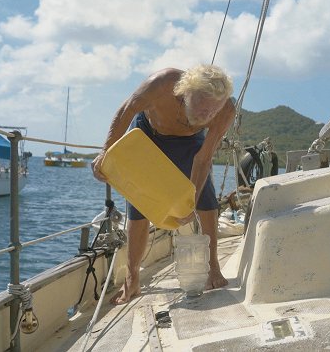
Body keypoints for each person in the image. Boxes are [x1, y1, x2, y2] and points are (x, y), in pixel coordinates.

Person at [91, 64, 236, 305]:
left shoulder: (225, 111)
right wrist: (105, 152)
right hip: (148, 133)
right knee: (140, 207)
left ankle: (213, 267)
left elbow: (203, 158)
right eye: (201, 103)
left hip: (190, 142)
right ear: (184, 92)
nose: (205, 114)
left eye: (213, 109)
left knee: (206, 200)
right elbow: (127, 109)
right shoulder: (163, 83)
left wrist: (189, 202)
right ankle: (132, 277)